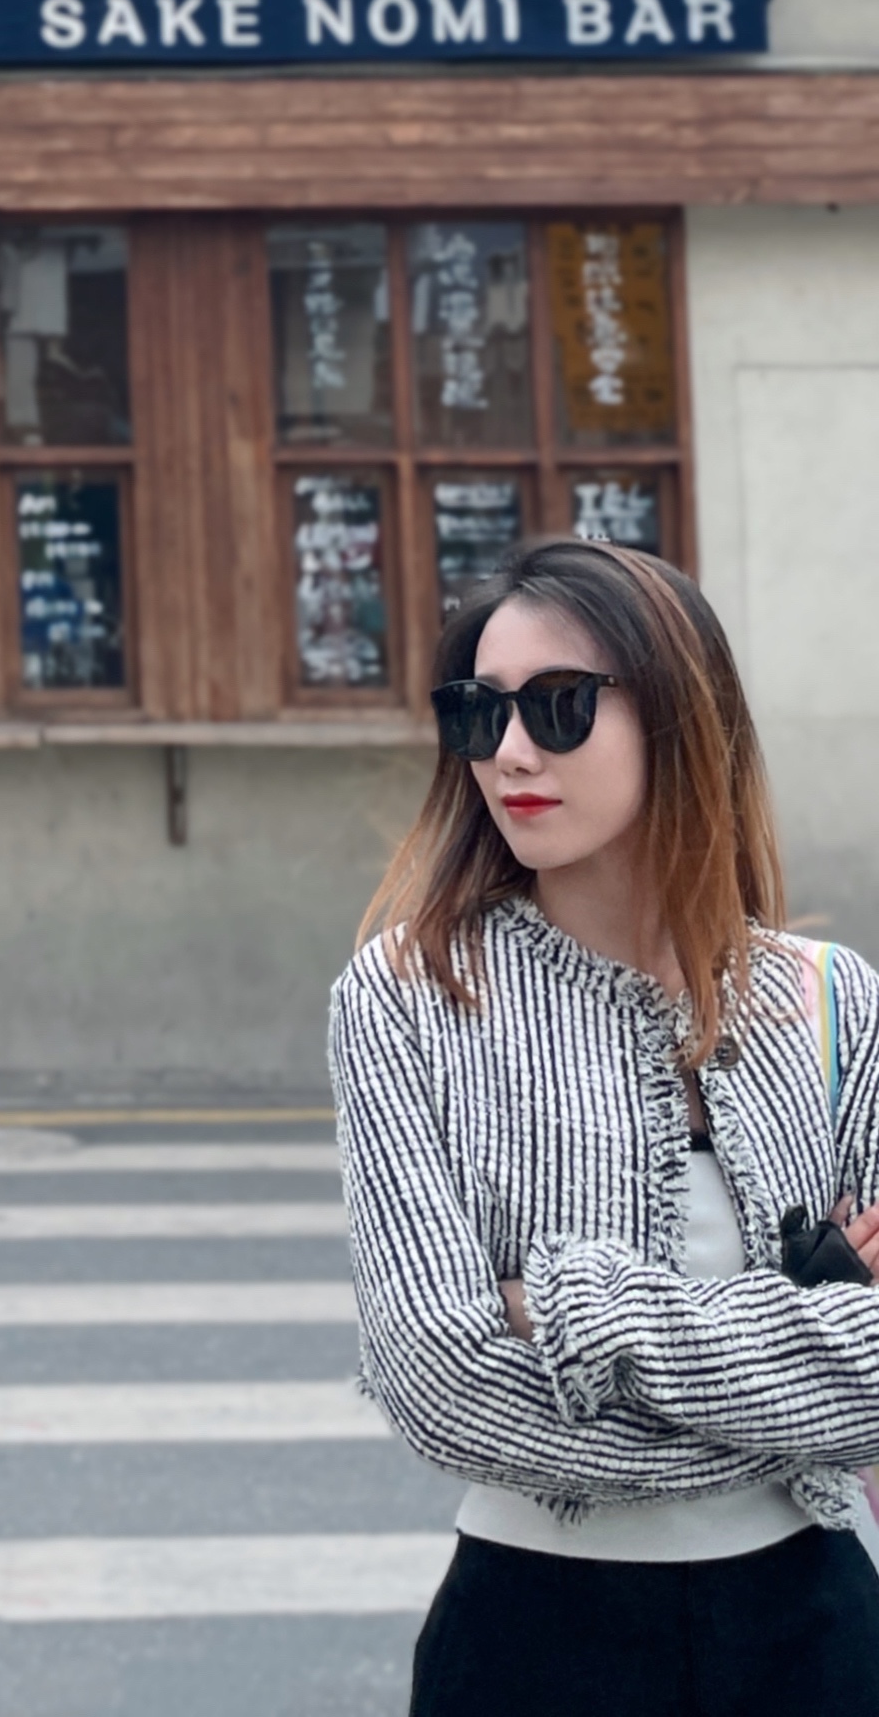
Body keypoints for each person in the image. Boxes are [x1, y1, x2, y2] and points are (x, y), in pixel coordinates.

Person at [327, 536, 879, 1716]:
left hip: (819, 1630)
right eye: (479, 712)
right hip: (534, 1636)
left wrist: (573, 1303)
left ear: (681, 715)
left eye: (560, 705)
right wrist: (797, 1360)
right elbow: (439, 1381)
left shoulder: (834, 1000)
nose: (511, 751)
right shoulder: (409, 995)